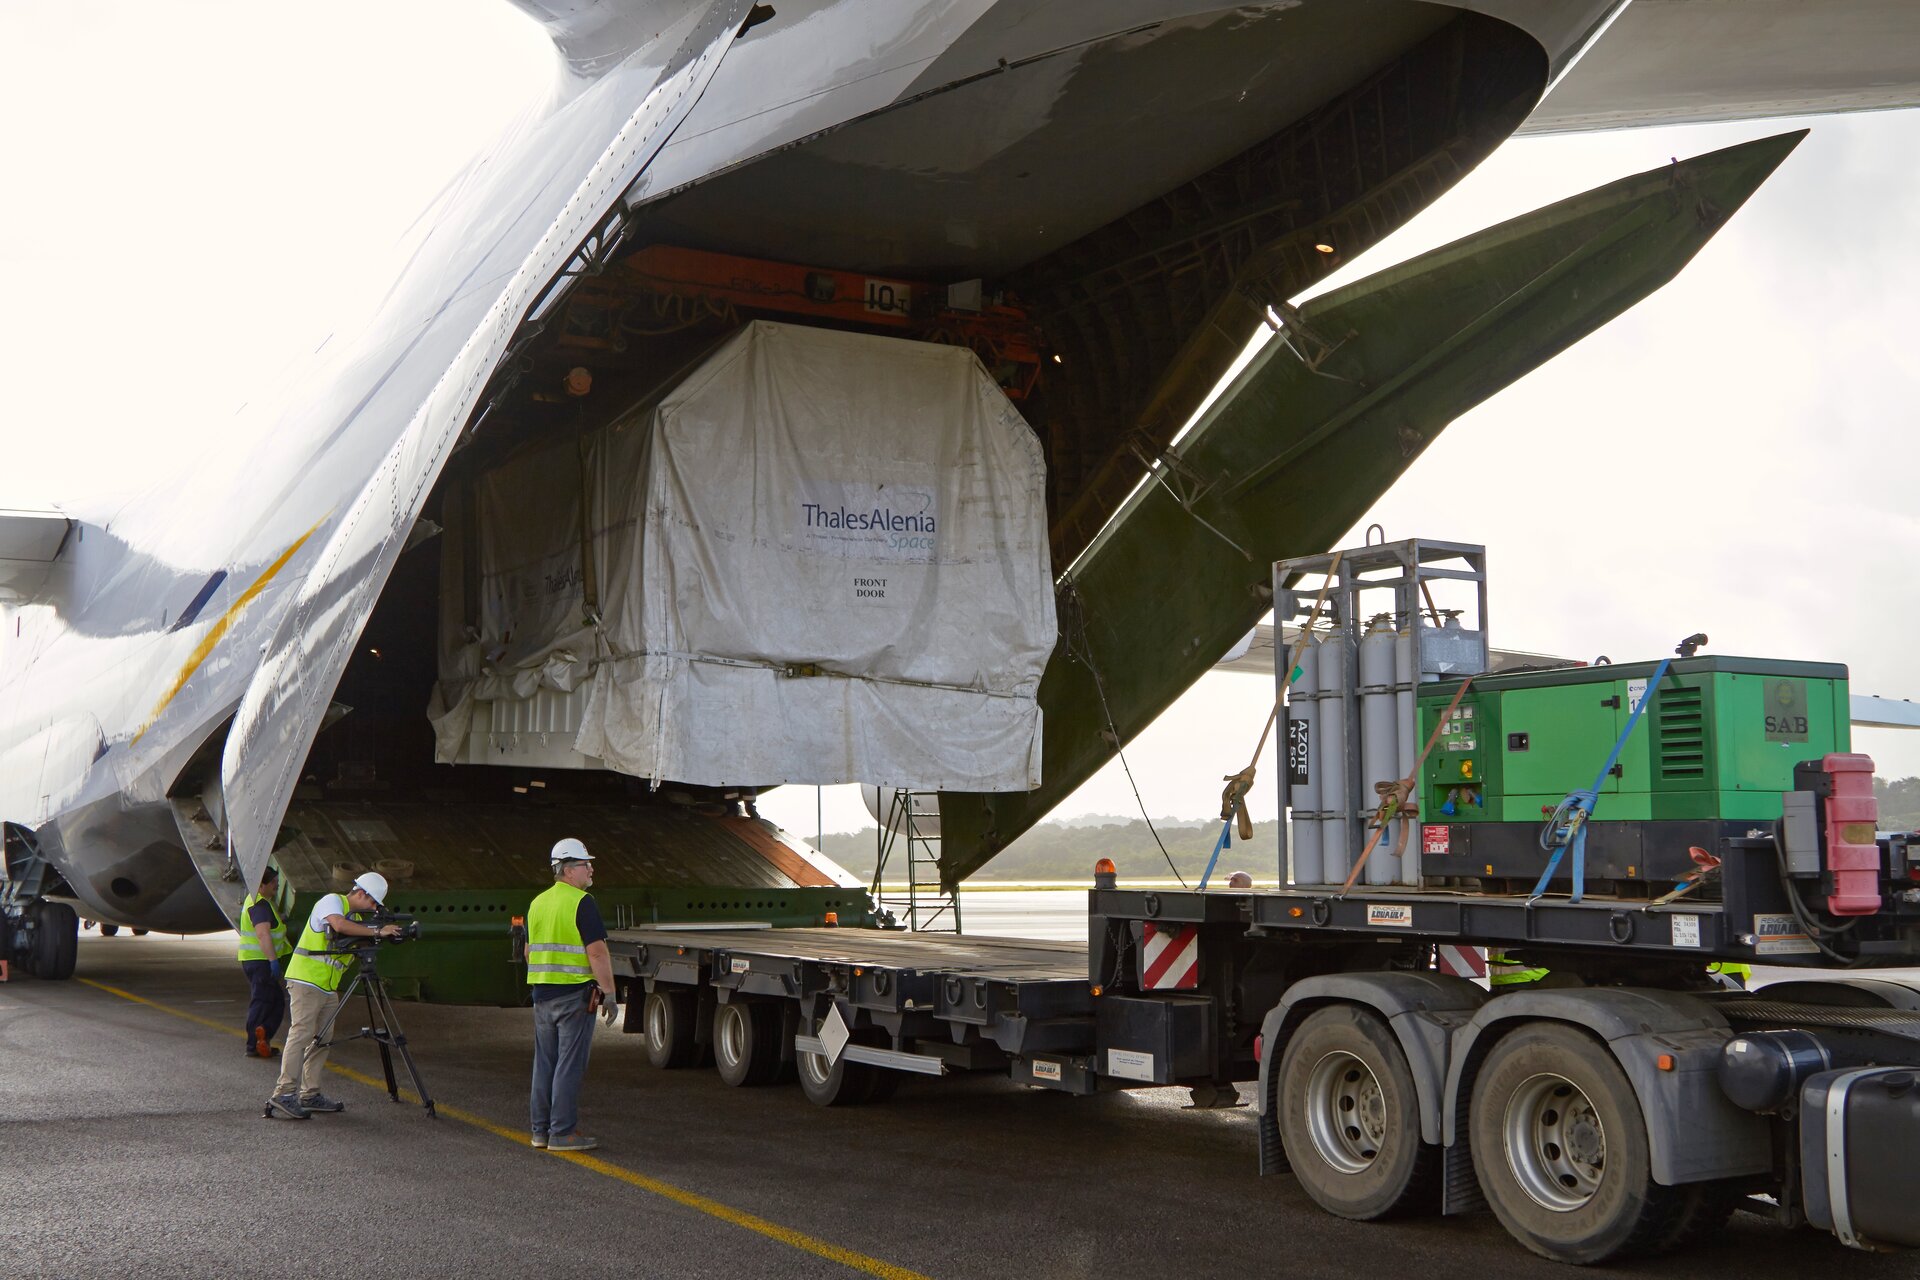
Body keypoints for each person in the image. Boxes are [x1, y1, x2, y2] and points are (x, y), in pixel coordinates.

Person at [266, 871, 401, 1120]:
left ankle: (310, 1093)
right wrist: (377, 932)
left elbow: (355, 940)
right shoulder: (333, 901)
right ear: (361, 893)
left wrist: (381, 934)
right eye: (372, 902)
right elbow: (338, 925)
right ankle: (283, 1093)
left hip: (327, 987)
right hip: (306, 981)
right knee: (301, 1035)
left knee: (322, 1040)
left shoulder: (358, 918)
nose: (373, 909)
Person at [527, 837, 617, 1152]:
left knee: (545, 1063)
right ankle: (562, 1133)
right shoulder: (582, 902)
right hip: (575, 996)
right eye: (584, 864)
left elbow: (528, 951)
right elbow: (597, 953)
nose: (591, 869)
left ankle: (540, 1132)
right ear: (568, 870)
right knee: (569, 1065)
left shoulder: (537, 902)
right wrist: (609, 992)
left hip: (542, 996)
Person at [237, 865, 293, 1059]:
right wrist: (273, 961)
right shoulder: (259, 905)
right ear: (261, 885)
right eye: (273, 884)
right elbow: (262, 934)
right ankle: (254, 1044)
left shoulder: (259, 902)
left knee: (276, 1001)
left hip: (256, 961)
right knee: (262, 1002)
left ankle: (263, 1034)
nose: (276, 887)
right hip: (261, 962)